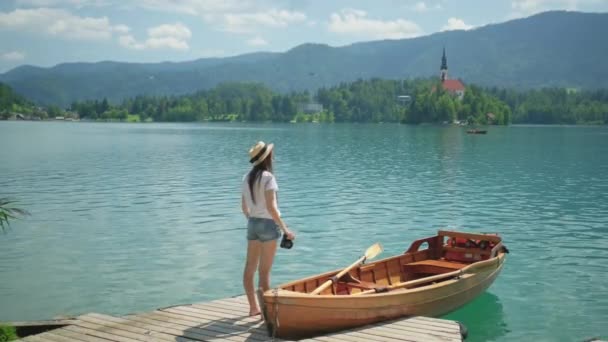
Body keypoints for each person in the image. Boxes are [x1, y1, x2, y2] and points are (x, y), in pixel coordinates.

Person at [241, 141, 295, 316]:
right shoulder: (268, 178)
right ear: (268, 157)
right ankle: (267, 313)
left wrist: (253, 220)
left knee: (249, 268)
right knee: (264, 272)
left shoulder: (246, 177)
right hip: (268, 225)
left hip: (252, 224)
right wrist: (286, 230)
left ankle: (253, 308)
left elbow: (243, 207)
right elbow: (271, 208)